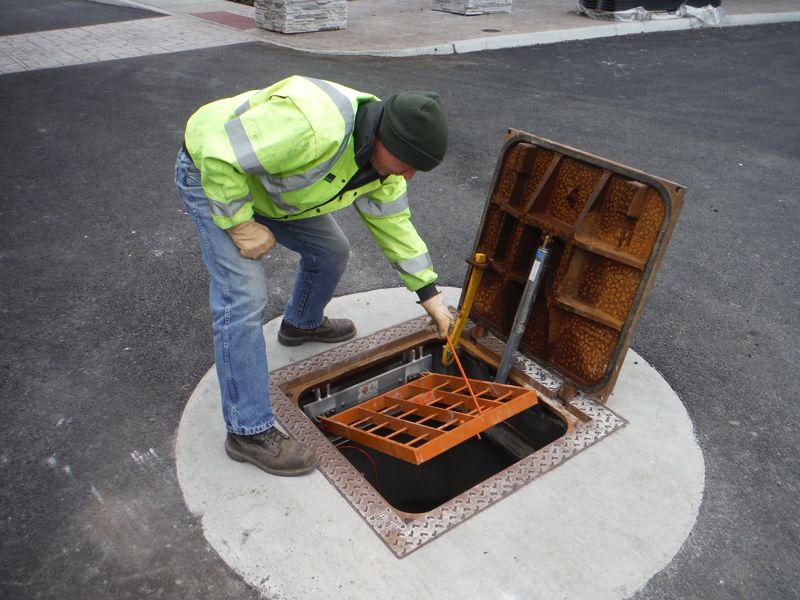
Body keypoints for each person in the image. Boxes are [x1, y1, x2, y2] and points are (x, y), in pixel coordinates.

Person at [175, 75, 454, 477]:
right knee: (244, 297)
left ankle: (300, 323)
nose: (408, 177)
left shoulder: (384, 166)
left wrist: (430, 296)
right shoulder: (313, 124)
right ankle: (247, 432)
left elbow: (395, 226)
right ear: (386, 138)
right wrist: (237, 224)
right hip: (213, 177)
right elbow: (221, 154)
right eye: (407, 165)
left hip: (267, 187)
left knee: (332, 251)